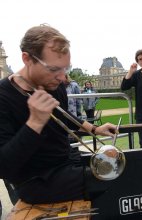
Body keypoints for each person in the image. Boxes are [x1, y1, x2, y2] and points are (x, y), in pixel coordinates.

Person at [0, 24, 118, 204]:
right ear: (27, 59)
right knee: (115, 180)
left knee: (120, 163)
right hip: (36, 181)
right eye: (54, 69)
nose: (63, 77)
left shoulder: (54, 84)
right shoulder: (3, 97)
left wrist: (95, 129)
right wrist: (35, 122)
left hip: (66, 162)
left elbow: (64, 117)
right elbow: (5, 167)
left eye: (65, 68)